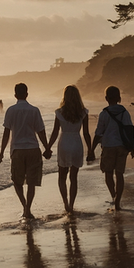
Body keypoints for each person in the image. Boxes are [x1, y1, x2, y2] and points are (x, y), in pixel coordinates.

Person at [0, 82, 51, 220]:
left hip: (17, 150)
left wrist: (2, 151)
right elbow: (41, 131)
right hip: (33, 148)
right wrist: (47, 147)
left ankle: (25, 207)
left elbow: (6, 133)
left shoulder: (10, 110)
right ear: (27, 94)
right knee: (31, 182)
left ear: (15, 95)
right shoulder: (34, 110)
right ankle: (28, 209)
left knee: (17, 181)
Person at [46, 85, 92, 214]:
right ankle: (72, 204)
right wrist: (91, 149)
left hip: (64, 142)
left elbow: (55, 132)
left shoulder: (60, 112)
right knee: (74, 177)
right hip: (77, 142)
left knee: (62, 176)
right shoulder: (83, 112)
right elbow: (87, 133)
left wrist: (48, 147)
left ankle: (65, 203)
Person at [89, 85, 134, 211]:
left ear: (106, 98)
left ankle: (113, 196)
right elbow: (129, 129)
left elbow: (98, 133)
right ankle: (118, 202)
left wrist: (92, 149)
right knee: (119, 174)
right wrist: (132, 148)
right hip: (122, 147)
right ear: (119, 98)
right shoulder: (125, 112)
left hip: (108, 146)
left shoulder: (104, 114)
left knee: (108, 173)